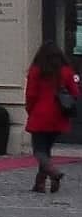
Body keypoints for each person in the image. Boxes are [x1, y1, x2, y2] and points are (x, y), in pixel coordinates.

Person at [23, 40, 79, 194]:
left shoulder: (36, 70)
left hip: (40, 114)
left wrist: (30, 111)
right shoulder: (66, 71)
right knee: (46, 150)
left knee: (39, 151)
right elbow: (75, 93)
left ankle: (53, 172)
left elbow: (31, 95)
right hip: (59, 116)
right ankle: (40, 183)